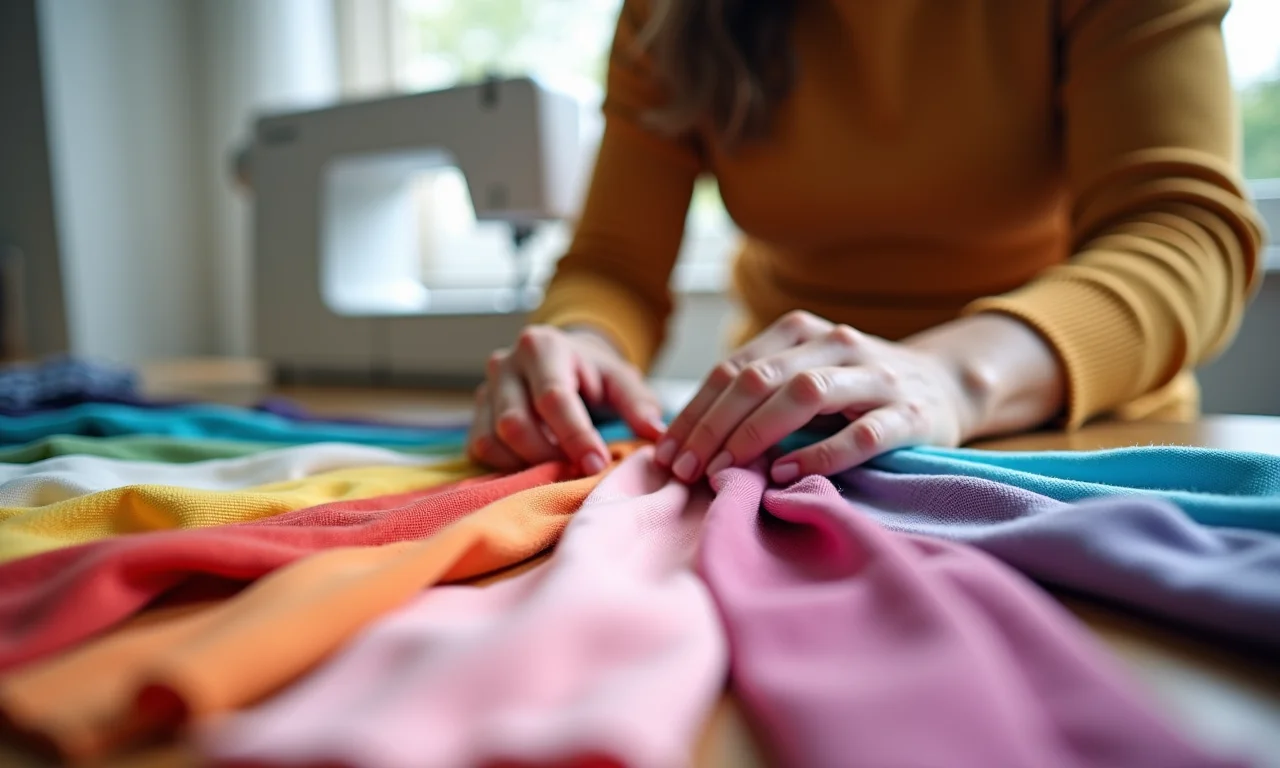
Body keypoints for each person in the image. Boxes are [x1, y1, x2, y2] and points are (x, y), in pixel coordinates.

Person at [467, 0, 1267, 485]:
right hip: (786, 442)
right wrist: (582, 342)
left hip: (1074, 444)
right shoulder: (670, 17)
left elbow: (1181, 231)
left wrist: (952, 376)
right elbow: (614, 266)